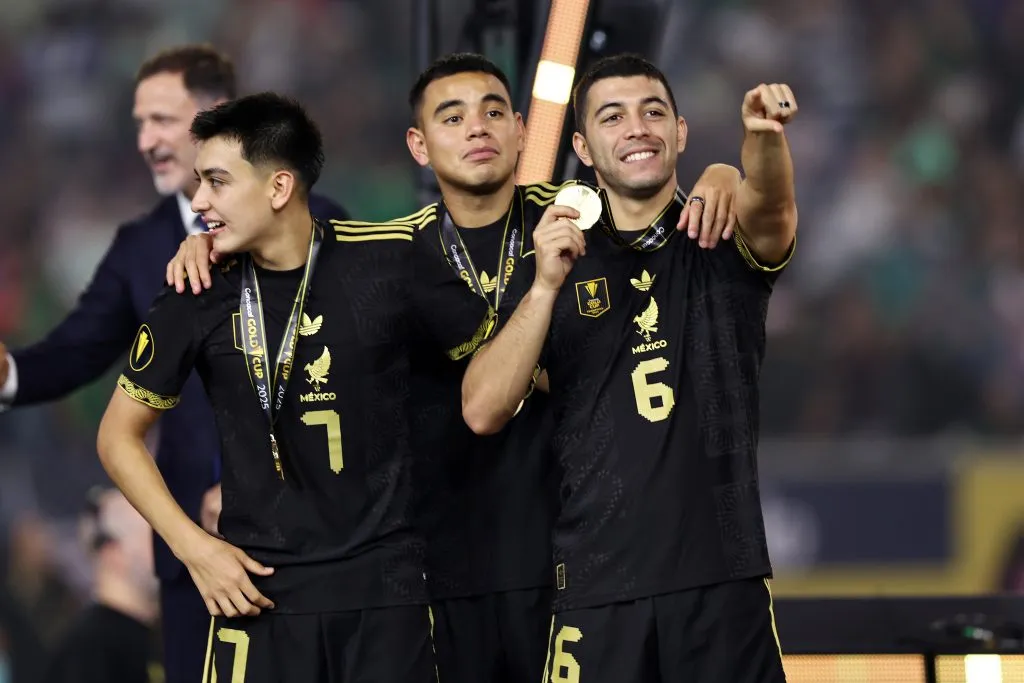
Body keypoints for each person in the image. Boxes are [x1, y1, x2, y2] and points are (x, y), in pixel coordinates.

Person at [166, 52, 744, 683]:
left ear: (523, 129)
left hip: (581, 564)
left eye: (495, 112)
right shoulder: (390, 255)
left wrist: (721, 174)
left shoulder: (581, 216)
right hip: (440, 578)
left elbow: (654, 191)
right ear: (418, 144)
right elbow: (287, 241)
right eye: (453, 116)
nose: (478, 129)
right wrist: (209, 235)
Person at [0, 44, 347, 683]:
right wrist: (9, 374)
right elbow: (78, 348)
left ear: (213, 117)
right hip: (191, 560)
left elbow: (345, 384)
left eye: (160, 120)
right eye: (138, 123)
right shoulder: (142, 246)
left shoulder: (325, 229)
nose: (144, 140)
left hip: (313, 544)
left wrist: (265, 486)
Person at [460, 54, 798, 682]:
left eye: (653, 112)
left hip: (720, 582)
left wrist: (760, 141)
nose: (637, 128)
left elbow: (773, 211)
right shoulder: (553, 259)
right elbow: (483, 409)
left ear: (681, 132)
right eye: (613, 117)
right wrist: (541, 290)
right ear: (585, 149)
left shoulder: (718, 233)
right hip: (594, 587)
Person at [97, 92, 439, 682]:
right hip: (255, 598)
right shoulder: (196, 288)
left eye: (216, 182)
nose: (198, 200)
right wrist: (197, 550)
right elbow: (116, 437)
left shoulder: (386, 265)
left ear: (278, 189)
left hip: (385, 599)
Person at [43, 488, 160, 683]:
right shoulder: (89, 651)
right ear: (113, 553)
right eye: (154, 536)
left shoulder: (152, 636)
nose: (172, 547)